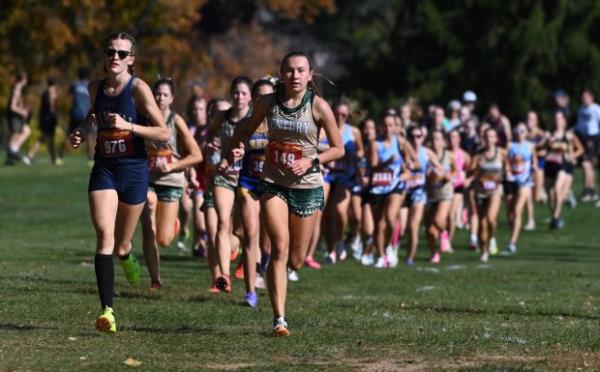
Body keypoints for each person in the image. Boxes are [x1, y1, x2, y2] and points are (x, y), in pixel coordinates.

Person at [222, 51, 344, 336]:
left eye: (301, 70)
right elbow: (247, 127)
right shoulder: (268, 102)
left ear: (310, 74)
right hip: (273, 183)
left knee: (296, 259)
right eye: (289, 70)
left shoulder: (319, 106)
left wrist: (311, 160)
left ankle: (287, 281)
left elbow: (339, 148)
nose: (295, 76)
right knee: (278, 249)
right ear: (281, 73)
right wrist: (235, 147)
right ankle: (280, 320)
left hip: (307, 186)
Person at [69, 32, 169, 334]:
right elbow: (92, 115)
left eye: (122, 54)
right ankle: (107, 312)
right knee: (104, 235)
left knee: (122, 242)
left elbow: (163, 132)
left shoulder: (138, 88)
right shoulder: (94, 87)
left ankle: (126, 254)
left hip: (134, 170)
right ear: (104, 56)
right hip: (105, 169)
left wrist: (130, 126)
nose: (115, 57)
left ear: (131, 60)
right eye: (110, 52)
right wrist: (81, 129)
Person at [140, 78, 202, 289]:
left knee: (164, 240)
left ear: (172, 98)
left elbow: (196, 155)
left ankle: (174, 224)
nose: (160, 98)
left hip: (171, 181)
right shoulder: (144, 118)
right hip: (148, 179)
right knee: (148, 225)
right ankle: (155, 278)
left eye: (165, 95)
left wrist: (173, 166)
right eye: (157, 94)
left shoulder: (176, 121)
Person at [210, 77, 253, 293]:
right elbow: (209, 134)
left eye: (244, 93)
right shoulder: (221, 116)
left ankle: (238, 253)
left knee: (242, 230)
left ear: (250, 97)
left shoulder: (255, 119)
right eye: (236, 92)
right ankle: (224, 276)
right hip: (224, 176)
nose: (239, 97)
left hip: (247, 177)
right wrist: (212, 146)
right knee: (222, 224)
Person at [236, 77, 275, 306]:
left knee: (267, 244)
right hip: (248, 183)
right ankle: (250, 292)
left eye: (267, 96)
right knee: (250, 235)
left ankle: (266, 263)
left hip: (271, 184)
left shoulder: (279, 125)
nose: (263, 100)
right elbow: (232, 147)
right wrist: (230, 156)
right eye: (259, 96)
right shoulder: (245, 124)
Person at [366, 114, 412, 268]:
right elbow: (372, 166)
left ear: (395, 127)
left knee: (391, 219)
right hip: (378, 186)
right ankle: (380, 256)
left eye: (391, 125)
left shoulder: (400, 142)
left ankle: (389, 246)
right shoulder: (375, 144)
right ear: (380, 127)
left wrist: (407, 172)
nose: (388, 128)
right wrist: (387, 162)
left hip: (395, 186)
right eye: (385, 125)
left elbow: (412, 164)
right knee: (379, 224)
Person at [322, 101, 364, 264]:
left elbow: (361, 150)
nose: (340, 117)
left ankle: (340, 240)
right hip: (327, 174)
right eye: (337, 113)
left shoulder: (354, 132)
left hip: (345, 176)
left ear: (348, 116)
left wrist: (356, 156)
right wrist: (329, 154)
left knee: (339, 211)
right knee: (324, 212)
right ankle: (330, 250)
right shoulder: (324, 129)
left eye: (344, 115)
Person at [468, 128, 507, 262]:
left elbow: (508, 167)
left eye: (492, 136)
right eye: (486, 136)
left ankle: (492, 238)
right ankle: (484, 251)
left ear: (496, 139)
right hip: (481, 191)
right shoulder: (478, 155)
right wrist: (477, 167)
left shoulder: (501, 153)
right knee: (482, 224)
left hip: (495, 191)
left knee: (491, 218)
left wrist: (505, 177)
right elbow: (470, 172)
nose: (489, 139)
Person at [544, 111, 584, 229]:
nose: (558, 121)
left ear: (564, 121)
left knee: (557, 190)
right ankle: (557, 215)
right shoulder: (549, 134)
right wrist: (546, 142)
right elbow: (542, 150)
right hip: (550, 166)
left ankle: (555, 219)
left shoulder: (569, 135)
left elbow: (581, 149)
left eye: (560, 118)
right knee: (551, 197)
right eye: (556, 118)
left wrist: (572, 156)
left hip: (565, 166)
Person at [504, 122, 537, 253]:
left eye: (522, 131)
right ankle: (513, 231)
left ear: (526, 133)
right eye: (518, 130)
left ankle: (512, 242)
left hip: (525, 182)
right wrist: (506, 170)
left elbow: (534, 161)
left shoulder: (531, 146)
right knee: (510, 213)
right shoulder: (510, 145)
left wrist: (534, 169)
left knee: (518, 211)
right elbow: (506, 160)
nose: (520, 133)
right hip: (511, 181)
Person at [425, 130, 455, 263]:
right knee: (430, 231)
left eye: (438, 139)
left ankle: (444, 234)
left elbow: (456, 169)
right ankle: (434, 253)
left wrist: (449, 176)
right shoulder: (426, 156)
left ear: (444, 142)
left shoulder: (449, 156)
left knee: (438, 220)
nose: (435, 142)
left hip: (445, 193)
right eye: (433, 139)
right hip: (431, 194)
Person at [60, 67, 92, 164]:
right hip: (86, 114)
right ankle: (90, 158)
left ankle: (60, 156)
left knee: (69, 135)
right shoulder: (90, 85)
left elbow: (68, 96)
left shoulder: (75, 85)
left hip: (75, 113)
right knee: (89, 136)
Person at [24, 77, 59, 164]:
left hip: (43, 118)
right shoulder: (52, 92)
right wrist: (54, 117)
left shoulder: (44, 92)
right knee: (43, 139)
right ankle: (29, 156)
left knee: (50, 139)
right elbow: (52, 107)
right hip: (49, 119)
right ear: (55, 84)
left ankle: (54, 159)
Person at [574, 90, 600, 202]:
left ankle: (586, 190)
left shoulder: (596, 109)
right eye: (582, 97)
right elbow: (579, 125)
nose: (584, 99)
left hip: (593, 138)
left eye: (586, 97)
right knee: (589, 166)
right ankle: (592, 191)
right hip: (583, 138)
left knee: (586, 164)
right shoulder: (581, 109)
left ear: (591, 97)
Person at [446, 129, 470, 248]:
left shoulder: (464, 155)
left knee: (451, 214)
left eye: (455, 137)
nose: (452, 140)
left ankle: (448, 242)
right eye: (450, 137)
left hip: (458, 187)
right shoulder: (444, 153)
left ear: (459, 139)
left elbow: (471, 170)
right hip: (444, 187)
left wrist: (467, 179)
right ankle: (443, 236)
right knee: (443, 216)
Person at [5, 71, 31, 165]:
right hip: (14, 116)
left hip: (16, 116)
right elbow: (12, 106)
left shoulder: (18, 89)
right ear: (23, 80)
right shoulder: (16, 90)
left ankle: (13, 151)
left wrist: (23, 108)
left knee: (26, 131)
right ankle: (11, 154)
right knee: (16, 133)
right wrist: (22, 111)